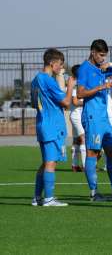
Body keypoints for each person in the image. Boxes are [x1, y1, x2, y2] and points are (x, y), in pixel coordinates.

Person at [76, 39, 112, 201]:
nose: (102, 59)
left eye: (105, 56)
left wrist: (111, 64)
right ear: (93, 52)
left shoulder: (103, 68)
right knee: (93, 152)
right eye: (100, 55)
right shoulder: (85, 69)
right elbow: (80, 93)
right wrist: (100, 87)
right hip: (92, 117)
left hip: (104, 118)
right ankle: (94, 193)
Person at [30, 48, 74, 206]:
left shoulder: (35, 80)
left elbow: (34, 103)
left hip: (42, 123)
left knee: (45, 162)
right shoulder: (48, 80)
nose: (61, 68)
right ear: (52, 63)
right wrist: (70, 86)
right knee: (50, 162)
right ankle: (48, 198)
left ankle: (37, 198)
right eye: (60, 65)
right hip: (52, 125)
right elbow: (66, 102)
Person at [69, 64, 86, 173]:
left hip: (76, 115)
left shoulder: (77, 84)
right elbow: (75, 102)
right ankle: (85, 166)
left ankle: (75, 165)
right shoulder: (76, 85)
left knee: (76, 140)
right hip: (76, 116)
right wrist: (86, 102)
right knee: (83, 138)